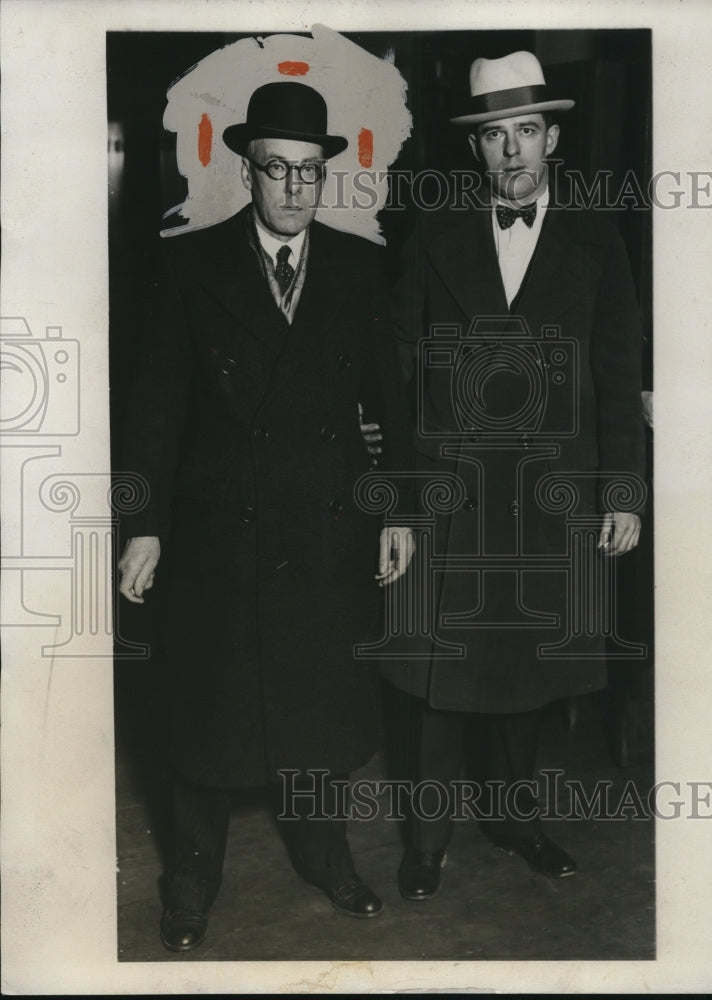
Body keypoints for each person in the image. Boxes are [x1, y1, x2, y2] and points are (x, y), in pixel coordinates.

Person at [117, 80, 414, 951]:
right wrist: (144, 524)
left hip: (324, 529)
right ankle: (191, 879)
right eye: (276, 169)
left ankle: (324, 856)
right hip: (218, 532)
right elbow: (153, 411)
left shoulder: (358, 265)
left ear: (324, 176)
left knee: (317, 710)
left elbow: (390, 402)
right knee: (205, 716)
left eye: (308, 171)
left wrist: (398, 509)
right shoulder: (186, 265)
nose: (292, 187)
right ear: (247, 171)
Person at [383, 51, 646, 899]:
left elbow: (616, 373)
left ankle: (515, 818)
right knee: (438, 677)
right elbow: (398, 369)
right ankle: (425, 842)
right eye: (494, 136)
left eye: (525, 131)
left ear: (551, 139)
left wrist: (621, 492)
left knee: (529, 672)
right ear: (475, 150)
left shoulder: (596, 240)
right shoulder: (434, 236)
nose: (511, 151)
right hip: (452, 490)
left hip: (549, 492)